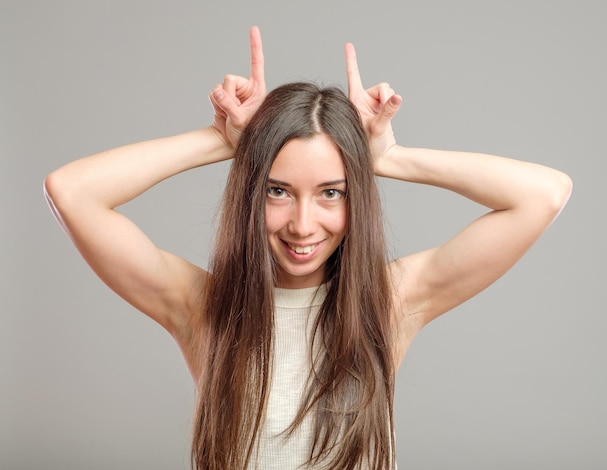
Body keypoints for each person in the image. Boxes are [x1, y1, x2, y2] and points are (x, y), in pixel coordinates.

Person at [44, 26, 572, 470]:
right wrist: (224, 140)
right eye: (277, 190)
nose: (302, 224)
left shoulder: (388, 302)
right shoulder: (204, 306)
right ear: (252, 191)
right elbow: (73, 191)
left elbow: (544, 195)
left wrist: (390, 157)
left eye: (331, 193)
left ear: (356, 197)